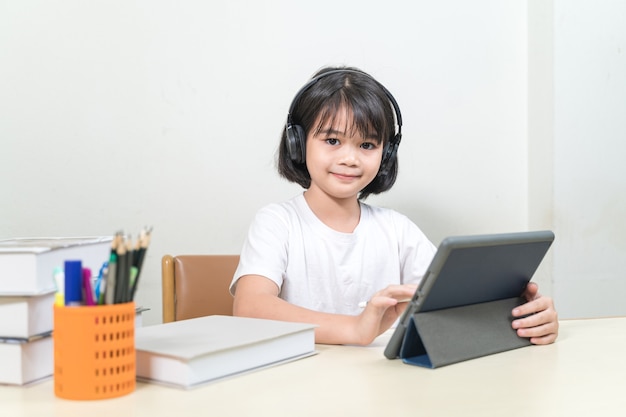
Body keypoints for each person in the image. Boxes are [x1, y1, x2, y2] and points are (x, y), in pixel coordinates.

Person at [230, 66, 559, 346]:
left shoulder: (397, 230)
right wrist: (354, 328)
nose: (349, 157)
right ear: (298, 143)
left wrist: (522, 316)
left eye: (367, 144)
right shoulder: (278, 222)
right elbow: (250, 307)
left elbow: (450, 304)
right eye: (332, 140)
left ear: (385, 155)